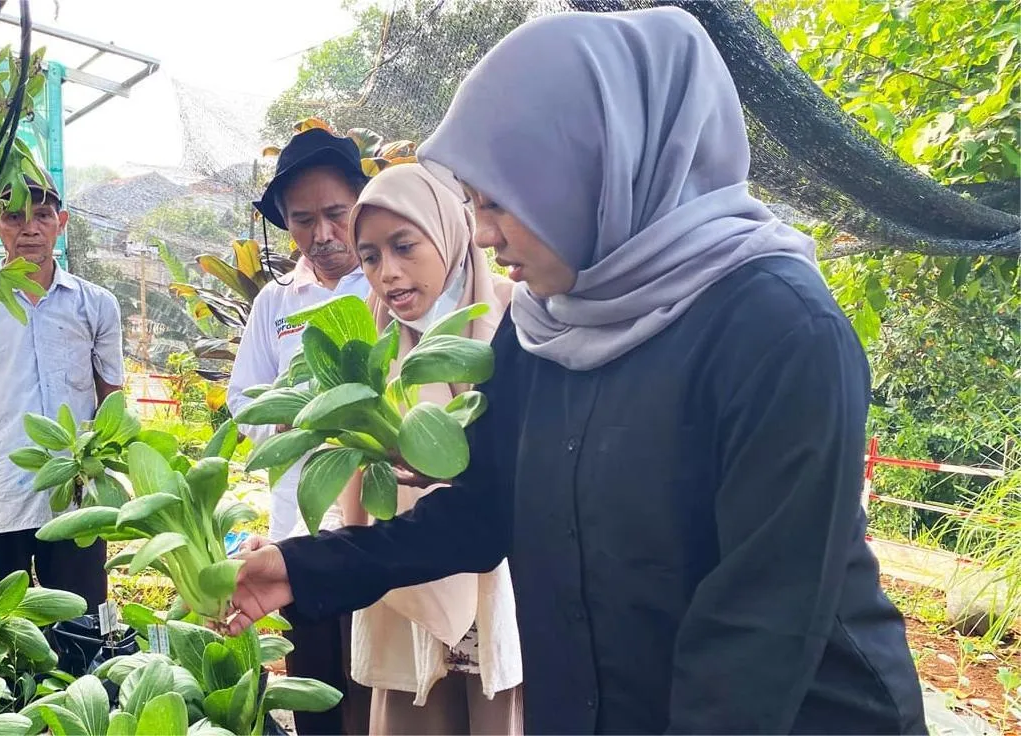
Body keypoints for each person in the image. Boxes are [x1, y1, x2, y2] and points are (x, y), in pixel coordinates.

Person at [224, 8, 926, 734]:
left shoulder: (776, 327)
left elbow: (759, 623)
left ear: (589, 166)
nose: (485, 234)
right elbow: (482, 510)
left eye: (499, 203)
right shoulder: (540, 331)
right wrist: (302, 568)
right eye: (476, 204)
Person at [346, 163, 522, 734]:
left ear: (447, 231)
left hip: (502, 581)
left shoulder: (514, 315)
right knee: (414, 715)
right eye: (370, 256)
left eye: (404, 246)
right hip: (406, 576)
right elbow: (351, 462)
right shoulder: (371, 337)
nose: (387, 274)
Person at [227, 126, 372, 735]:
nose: (322, 234)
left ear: (360, 204)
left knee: (380, 689)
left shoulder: (392, 280)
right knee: (318, 691)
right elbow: (243, 400)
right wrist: (285, 421)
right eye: (304, 219)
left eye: (336, 214)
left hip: (380, 526)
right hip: (301, 530)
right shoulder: (276, 303)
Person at [0, 171, 122, 611]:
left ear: (61, 221)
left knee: (79, 628)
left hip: (73, 502)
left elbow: (112, 400)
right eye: (14, 216)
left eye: (42, 215)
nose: (29, 228)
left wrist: (109, 482)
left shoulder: (96, 304)